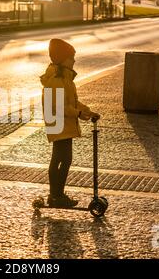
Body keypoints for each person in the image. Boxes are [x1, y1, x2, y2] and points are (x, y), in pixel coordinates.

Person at [40, 39, 100, 208]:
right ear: (62, 59)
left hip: (64, 124)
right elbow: (60, 106)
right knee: (61, 158)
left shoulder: (66, 78)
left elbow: (73, 102)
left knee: (63, 158)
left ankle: (57, 194)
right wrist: (79, 113)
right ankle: (56, 195)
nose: (74, 60)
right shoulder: (56, 80)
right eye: (71, 57)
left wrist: (87, 111)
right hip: (58, 124)